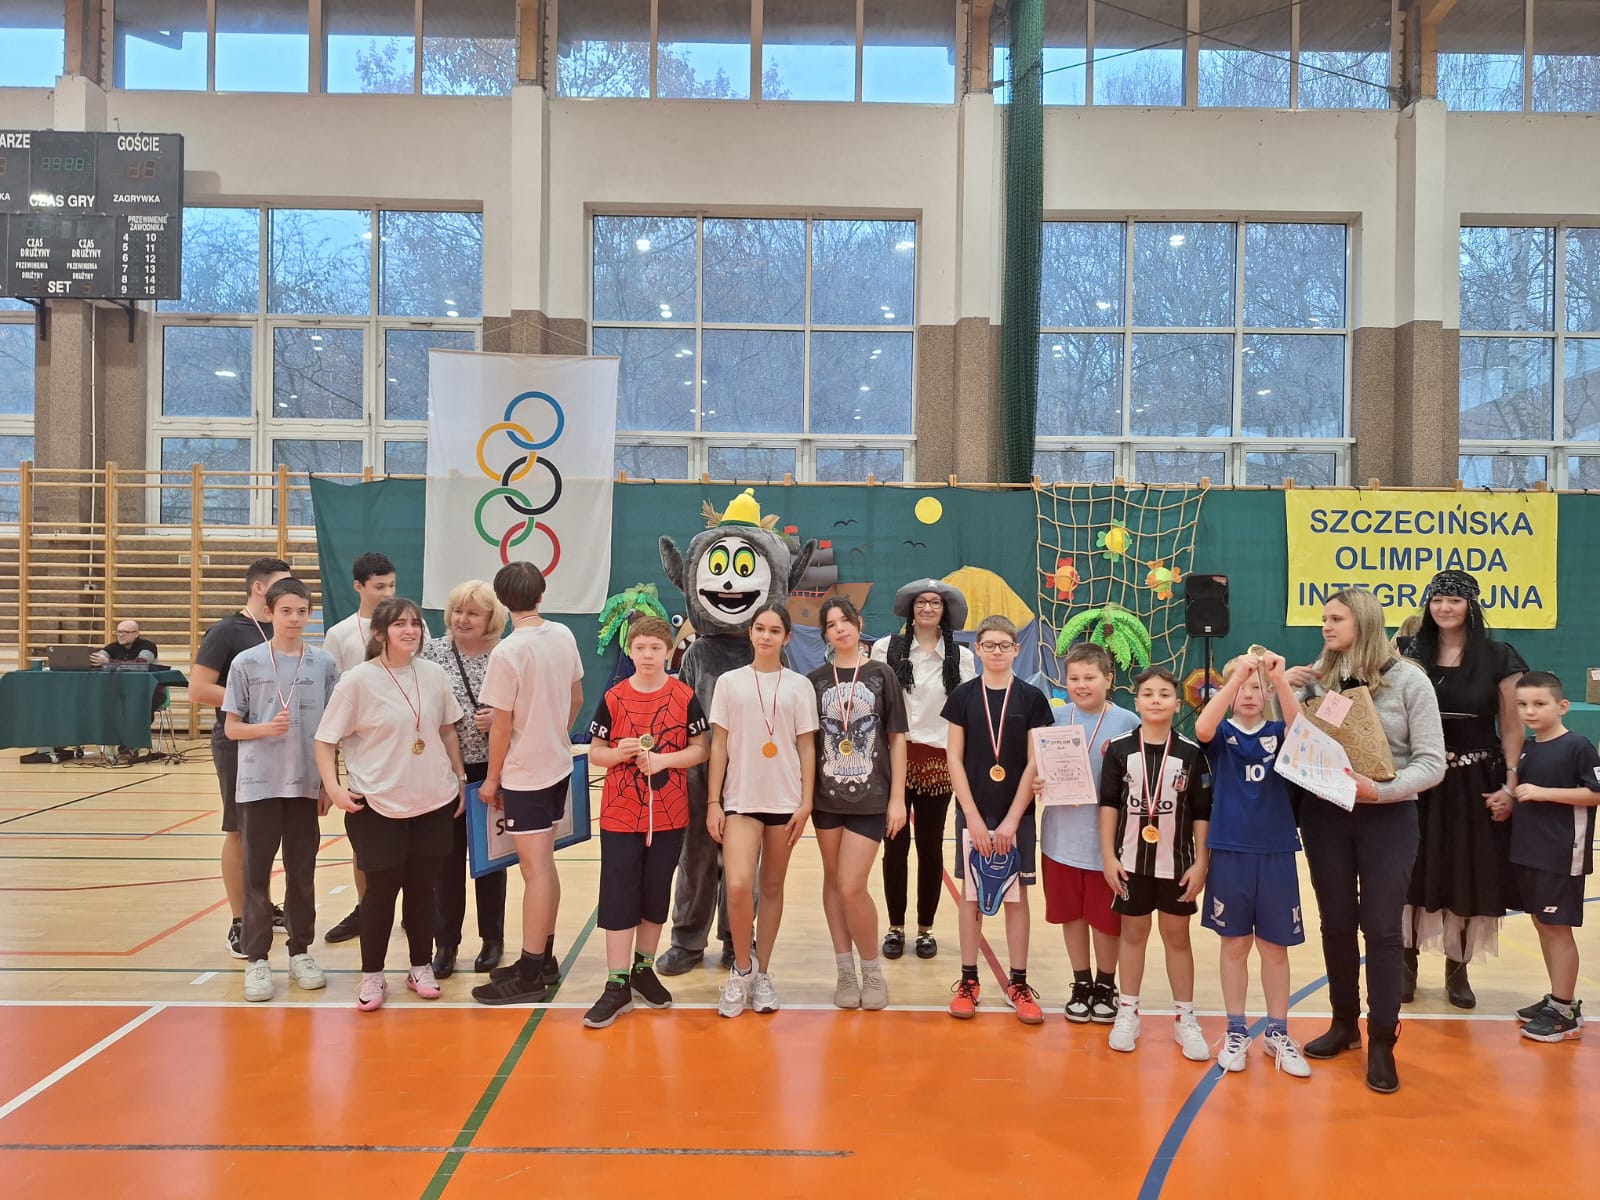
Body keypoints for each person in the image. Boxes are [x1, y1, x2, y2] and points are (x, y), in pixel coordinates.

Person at [1288, 588, 1445, 1094]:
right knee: (1335, 922)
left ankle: (1382, 1039)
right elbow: (1293, 742)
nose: (1325, 626)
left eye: (1336, 618)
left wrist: (1380, 790)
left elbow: (1432, 763)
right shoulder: (1320, 678)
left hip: (1388, 818)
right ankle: (1344, 1024)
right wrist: (1282, 691)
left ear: (1363, 621)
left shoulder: (1410, 681)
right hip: (1326, 816)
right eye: (1324, 618)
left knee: (1381, 928)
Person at [315, 597, 467, 1012]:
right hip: (378, 804)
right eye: (400, 624)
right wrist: (334, 788)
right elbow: (325, 740)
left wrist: (458, 777)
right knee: (380, 892)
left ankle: (420, 967)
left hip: (433, 800)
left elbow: (447, 730)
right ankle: (372, 974)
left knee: (423, 889)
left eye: (415, 623)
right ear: (381, 633)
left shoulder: (433, 674)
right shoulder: (357, 681)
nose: (410, 630)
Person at [1396, 569, 1526, 1009]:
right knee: (1410, 870)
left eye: (1454, 600)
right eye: (1437, 600)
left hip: (1474, 782)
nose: (1444, 607)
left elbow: (1512, 725)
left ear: (1471, 605)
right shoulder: (1408, 652)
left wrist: (1511, 784)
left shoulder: (1499, 657)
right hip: (1417, 779)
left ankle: (1458, 970)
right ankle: (1405, 966)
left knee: (1466, 872)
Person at [583, 616, 710, 1028]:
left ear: (668, 651)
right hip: (620, 814)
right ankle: (616, 982)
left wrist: (663, 761)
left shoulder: (684, 695)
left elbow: (701, 749)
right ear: (630, 651)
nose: (648, 655)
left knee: (656, 893)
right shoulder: (614, 696)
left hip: (670, 812)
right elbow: (595, 752)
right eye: (640, 648)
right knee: (619, 895)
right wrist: (618, 753)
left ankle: (643, 968)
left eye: (656, 648)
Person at [470, 561, 585, 1006]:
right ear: (541, 593)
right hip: (557, 765)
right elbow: (576, 697)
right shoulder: (564, 635)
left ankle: (531, 971)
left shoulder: (508, 652)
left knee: (534, 872)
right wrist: (556, 732)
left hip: (527, 774)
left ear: (502, 601)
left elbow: (501, 723)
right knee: (544, 867)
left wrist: (492, 778)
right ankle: (543, 958)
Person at [222, 578, 339, 1003]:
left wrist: (329, 782)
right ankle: (256, 958)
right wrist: (264, 729)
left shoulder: (324, 664)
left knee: (302, 872)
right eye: (286, 611)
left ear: (310, 615)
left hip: (305, 783)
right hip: (259, 785)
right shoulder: (246, 662)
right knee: (256, 874)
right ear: (270, 612)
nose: (294, 619)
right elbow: (232, 728)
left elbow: (332, 731)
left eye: (302, 612)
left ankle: (300, 951)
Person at [1194, 651, 1310, 1077]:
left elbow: (1302, 731)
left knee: (1275, 948)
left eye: (1255, 688)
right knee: (1235, 945)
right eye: (1241, 687)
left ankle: (1278, 1031)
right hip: (1230, 851)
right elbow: (1203, 728)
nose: (1248, 694)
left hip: (1275, 851)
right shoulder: (1221, 732)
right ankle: (1236, 1029)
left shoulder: (1280, 731)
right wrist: (1236, 677)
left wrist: (1277, 680)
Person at [707, 602, 818, 1019]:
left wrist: (806, 802)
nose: (766, 636)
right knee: (738, 886)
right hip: (740, 800)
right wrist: (713, 801)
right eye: (760, 628)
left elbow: (806, 747)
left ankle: (763, 974)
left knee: (771, 888)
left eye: (774, 630)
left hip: (785, 802)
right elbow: (719, 745)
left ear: (787, 638)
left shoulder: (799, 686)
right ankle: (741, 969)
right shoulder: (729, 683)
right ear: (750, 633)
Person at [942, 615, 1055, 1025]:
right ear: (976, 649)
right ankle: (969, 980)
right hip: (973, 812)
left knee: (1016, 896)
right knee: (972, 895)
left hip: (1016, 814)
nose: (996, 652)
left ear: (1016, 649)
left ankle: (1018, 983)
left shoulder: (1032, 698)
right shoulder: (962, 696)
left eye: (1004, 645)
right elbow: (954, 757)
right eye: (988, 645)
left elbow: (1034, 761)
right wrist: (971, 816)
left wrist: (1011, 820)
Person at [1098, 666, 1212, 1061]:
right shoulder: (1118, 749)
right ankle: (1128, 1012)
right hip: (1129, 862)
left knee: (1177, 937)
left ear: (1177, 704)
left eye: (1164, 694)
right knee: (1133, 933)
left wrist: (1201, 862)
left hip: (1177, 864)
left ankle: (1185, 1017)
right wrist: (1108, 855)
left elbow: (1202, 812)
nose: (1156, 700)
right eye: (1148, 694)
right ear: (1137, 702)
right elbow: (1108, 804)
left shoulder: (1191, 753)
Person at [190, 556, 292, 959]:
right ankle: (239, 919)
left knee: (270, 831)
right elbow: (199, 688)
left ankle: (263, 905)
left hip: (277, 742)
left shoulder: (281, 629)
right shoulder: (227, 631)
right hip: (238, 743)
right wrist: (253, 701)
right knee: (239, 830)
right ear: (259, 588)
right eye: (282, 584)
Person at [810, 597, 908, 1011]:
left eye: (845, 620)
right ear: (825, 634)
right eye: (831, 624)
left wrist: (898, 799)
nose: (840, 628)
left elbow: (897, 739)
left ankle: (871, 969)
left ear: (858, 623)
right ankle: (844, 970)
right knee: (834, 882)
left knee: (852, 885)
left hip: (872, 797)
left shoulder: (882, 675)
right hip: (826, 798)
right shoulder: (815, 681)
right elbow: (808, 746)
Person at [870, 578, 975, 961]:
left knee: (930, 848)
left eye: (935, 603)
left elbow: (966, 714)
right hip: (895, 758)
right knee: (894, 847)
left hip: (937, 763)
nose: (928, 608)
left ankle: (926, 929)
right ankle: (895, 927)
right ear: (911, 609)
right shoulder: (886, 648)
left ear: (944, 611)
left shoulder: (961, 657)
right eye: (921, 602)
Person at [1037, 642, 1139, 1024]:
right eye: (1074, 678)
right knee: (1072, 915)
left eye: (1090, 677)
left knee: (1106, 919)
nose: (1081, 685)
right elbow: (1035, 768)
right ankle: (1081, 982)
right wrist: (1038, 781)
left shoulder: (1128, 722)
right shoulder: (1052, 719)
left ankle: (1106, 984)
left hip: (1108, 846)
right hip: (1060, 839)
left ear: (1109, 679)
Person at [419, 580, 511, 978]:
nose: (462, 619)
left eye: (473, 613)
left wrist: (503, 720)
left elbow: (526, 706)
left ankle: (492, 939)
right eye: (458, 611)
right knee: (445, 862)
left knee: (491, 862)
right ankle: (446, 943)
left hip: (493, 770)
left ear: (491, 618)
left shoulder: (505, 654)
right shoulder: (432, 652)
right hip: (443, 772)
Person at [1509, 671, 1599, 1043]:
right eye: (1522, 704)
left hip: (1562, 854)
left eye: (1539, 703)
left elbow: (1596, 793)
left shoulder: (1578, 745)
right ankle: (1558, 1000)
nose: (1530, 711)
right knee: (1543, 924)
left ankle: (1565, 1012)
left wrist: (1544, 792)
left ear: (1562, 706)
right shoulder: (1527, 747)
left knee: (1557, 928)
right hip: (1530, 853)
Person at [320, 551, 399, 946]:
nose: (387, 593)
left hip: (405, 752)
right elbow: (330, 699)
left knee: (414, 838)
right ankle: (366, 908)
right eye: (379, 586)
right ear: (358, 586)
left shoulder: (409, 625)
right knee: (365, 840)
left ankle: (419, 909)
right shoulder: (339, 635)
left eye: (392, 585)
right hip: (362, 755)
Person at [91, 621, 157, 666]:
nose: (121, 635)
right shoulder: (112, 647)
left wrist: (109, 662)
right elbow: (98, 658)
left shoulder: (147, 646)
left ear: (136, 634)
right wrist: (96, 659)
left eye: (125, 632)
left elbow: (141, 665)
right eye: (119, 632)